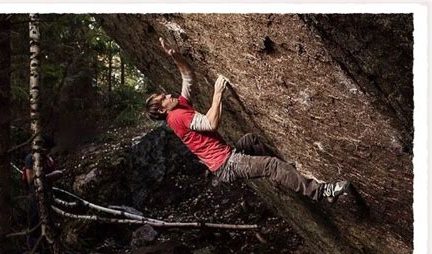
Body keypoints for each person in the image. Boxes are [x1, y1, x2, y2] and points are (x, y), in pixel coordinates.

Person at [144, 38, 350, 203]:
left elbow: (188, 77)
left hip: (227, 157)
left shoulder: (178, 106)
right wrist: (217, 94)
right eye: (164, 98)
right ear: (163, 110)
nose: (169, 95)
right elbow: (210, 124)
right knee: (272, 165)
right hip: (227, 164)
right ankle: (321, 191)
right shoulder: (178, 116)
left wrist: (175, 56)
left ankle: (286, 176)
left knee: (251, 141)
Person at [24, 136, 64, 249]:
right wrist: (50, 176)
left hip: (48, 194)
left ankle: (49, 246)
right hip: (35, 195)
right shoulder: (31, 158)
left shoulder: (47, 159)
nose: (48, 152)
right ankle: (33, 249)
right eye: (47, 149)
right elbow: (31, 180)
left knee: (50, 221)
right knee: (34, 223)